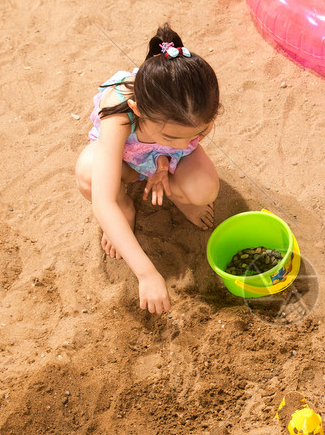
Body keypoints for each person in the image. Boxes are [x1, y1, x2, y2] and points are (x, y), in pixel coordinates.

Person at [76, 24, 220, 315]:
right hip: (127, 162)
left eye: (199, 132)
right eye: (172, 137)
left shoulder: (194, 105)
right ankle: (126, 207)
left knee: (203, 190)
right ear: (138, 109)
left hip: (162, 160)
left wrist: (166, 160)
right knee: (89, 174)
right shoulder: (118, 109)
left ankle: (178, 196)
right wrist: (146, 273)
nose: (188, 141)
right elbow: (101, 199)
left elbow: (181, 143)